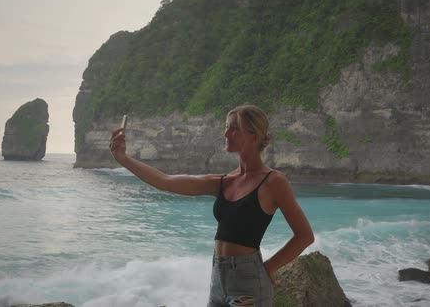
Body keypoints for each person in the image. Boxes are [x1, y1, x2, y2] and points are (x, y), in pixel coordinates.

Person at [109, 104, 314, 307]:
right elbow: (166, 182)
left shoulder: (273, 182)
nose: (226, 133)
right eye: (227, 126)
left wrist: (269, 267)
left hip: (248, 283)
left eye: (234, 128)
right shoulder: (224, 181)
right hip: (218, 279)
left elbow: (304, 235)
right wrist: (124, 159)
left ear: (254, 135)